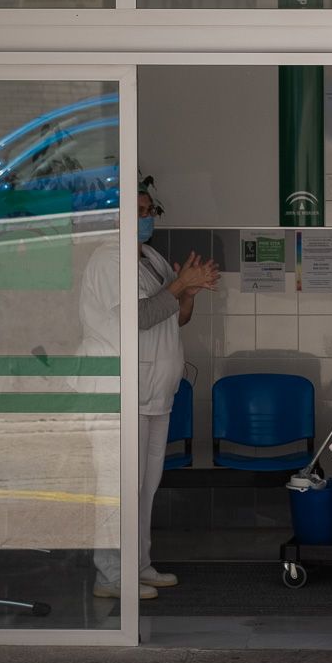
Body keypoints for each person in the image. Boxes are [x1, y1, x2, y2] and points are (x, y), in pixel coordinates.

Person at [78, 176, 219, 600]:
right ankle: (109, 575)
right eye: (135, 211)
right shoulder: (107, 260)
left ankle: (138, 565)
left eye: (148, 211)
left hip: (154, 394)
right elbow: (136, 318)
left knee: (144, 486)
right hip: (117, 393)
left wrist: (189, 293)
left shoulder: (151, 258)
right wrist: (178, 287)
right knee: (116, 485)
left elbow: (173, 316)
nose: (144, 218)